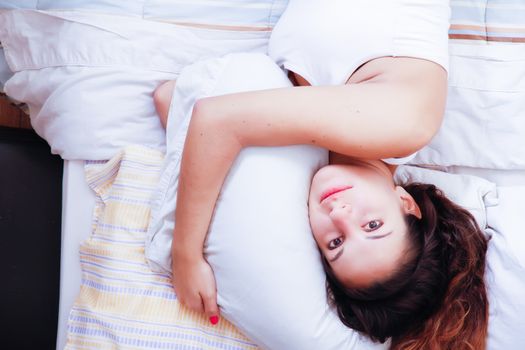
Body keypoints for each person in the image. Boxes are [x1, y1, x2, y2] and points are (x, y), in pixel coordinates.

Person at [152, 1, 489, 349]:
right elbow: (214, 120)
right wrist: (185, 255)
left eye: (335, 244)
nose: (340, 216)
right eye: (373, 226)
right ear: (405, 202)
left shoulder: (319, 154)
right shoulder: (399, 125)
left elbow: (171, 100)